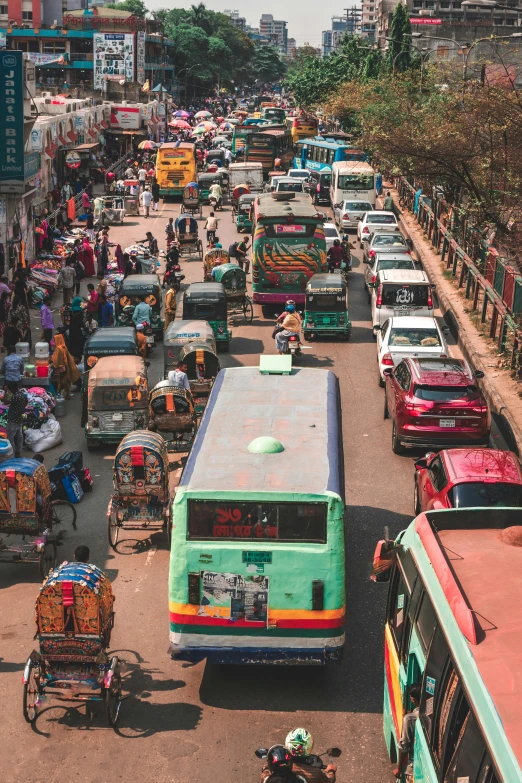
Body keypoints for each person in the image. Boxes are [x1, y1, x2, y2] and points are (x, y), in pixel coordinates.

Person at [394, 684, 421, 779]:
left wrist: (399, 768)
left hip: (414, 766)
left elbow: (404, 746)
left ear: (413, 699)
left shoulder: (410, 719)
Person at [51, 333, 80, 399]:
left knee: (61, 380)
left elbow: (56, 359)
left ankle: (60, 393)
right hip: (66, 367)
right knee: (66, 381)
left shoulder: (58, 348)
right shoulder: (64, 347)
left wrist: (52, 361)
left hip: (61, 367)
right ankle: (67, 394)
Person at [6, 382, 27, 457]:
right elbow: (26, 402)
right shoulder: (22, 395)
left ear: (11, 389)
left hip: (13, 419)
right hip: (19, 418)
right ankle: (18, 452)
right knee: (19, 436)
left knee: (10, 438)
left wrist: (5, 393)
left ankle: (12, 455)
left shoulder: (15, 396)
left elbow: (6, 402)